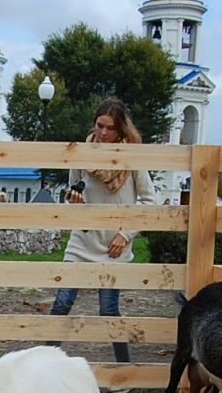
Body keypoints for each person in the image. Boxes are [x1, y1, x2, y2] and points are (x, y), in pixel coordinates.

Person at [49, 97, 157, 373]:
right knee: (61, 304)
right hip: (82, 240)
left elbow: (149, 200)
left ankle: (124, 370)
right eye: (100, 126)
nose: (104, 133)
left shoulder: (132, 159)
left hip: (115, 247)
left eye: (110, 128)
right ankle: (44, 367)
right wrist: (74, 202)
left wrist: (126, 234)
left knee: (108, 310)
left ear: (120, 130)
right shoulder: (81, 154)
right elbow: (74, 191)